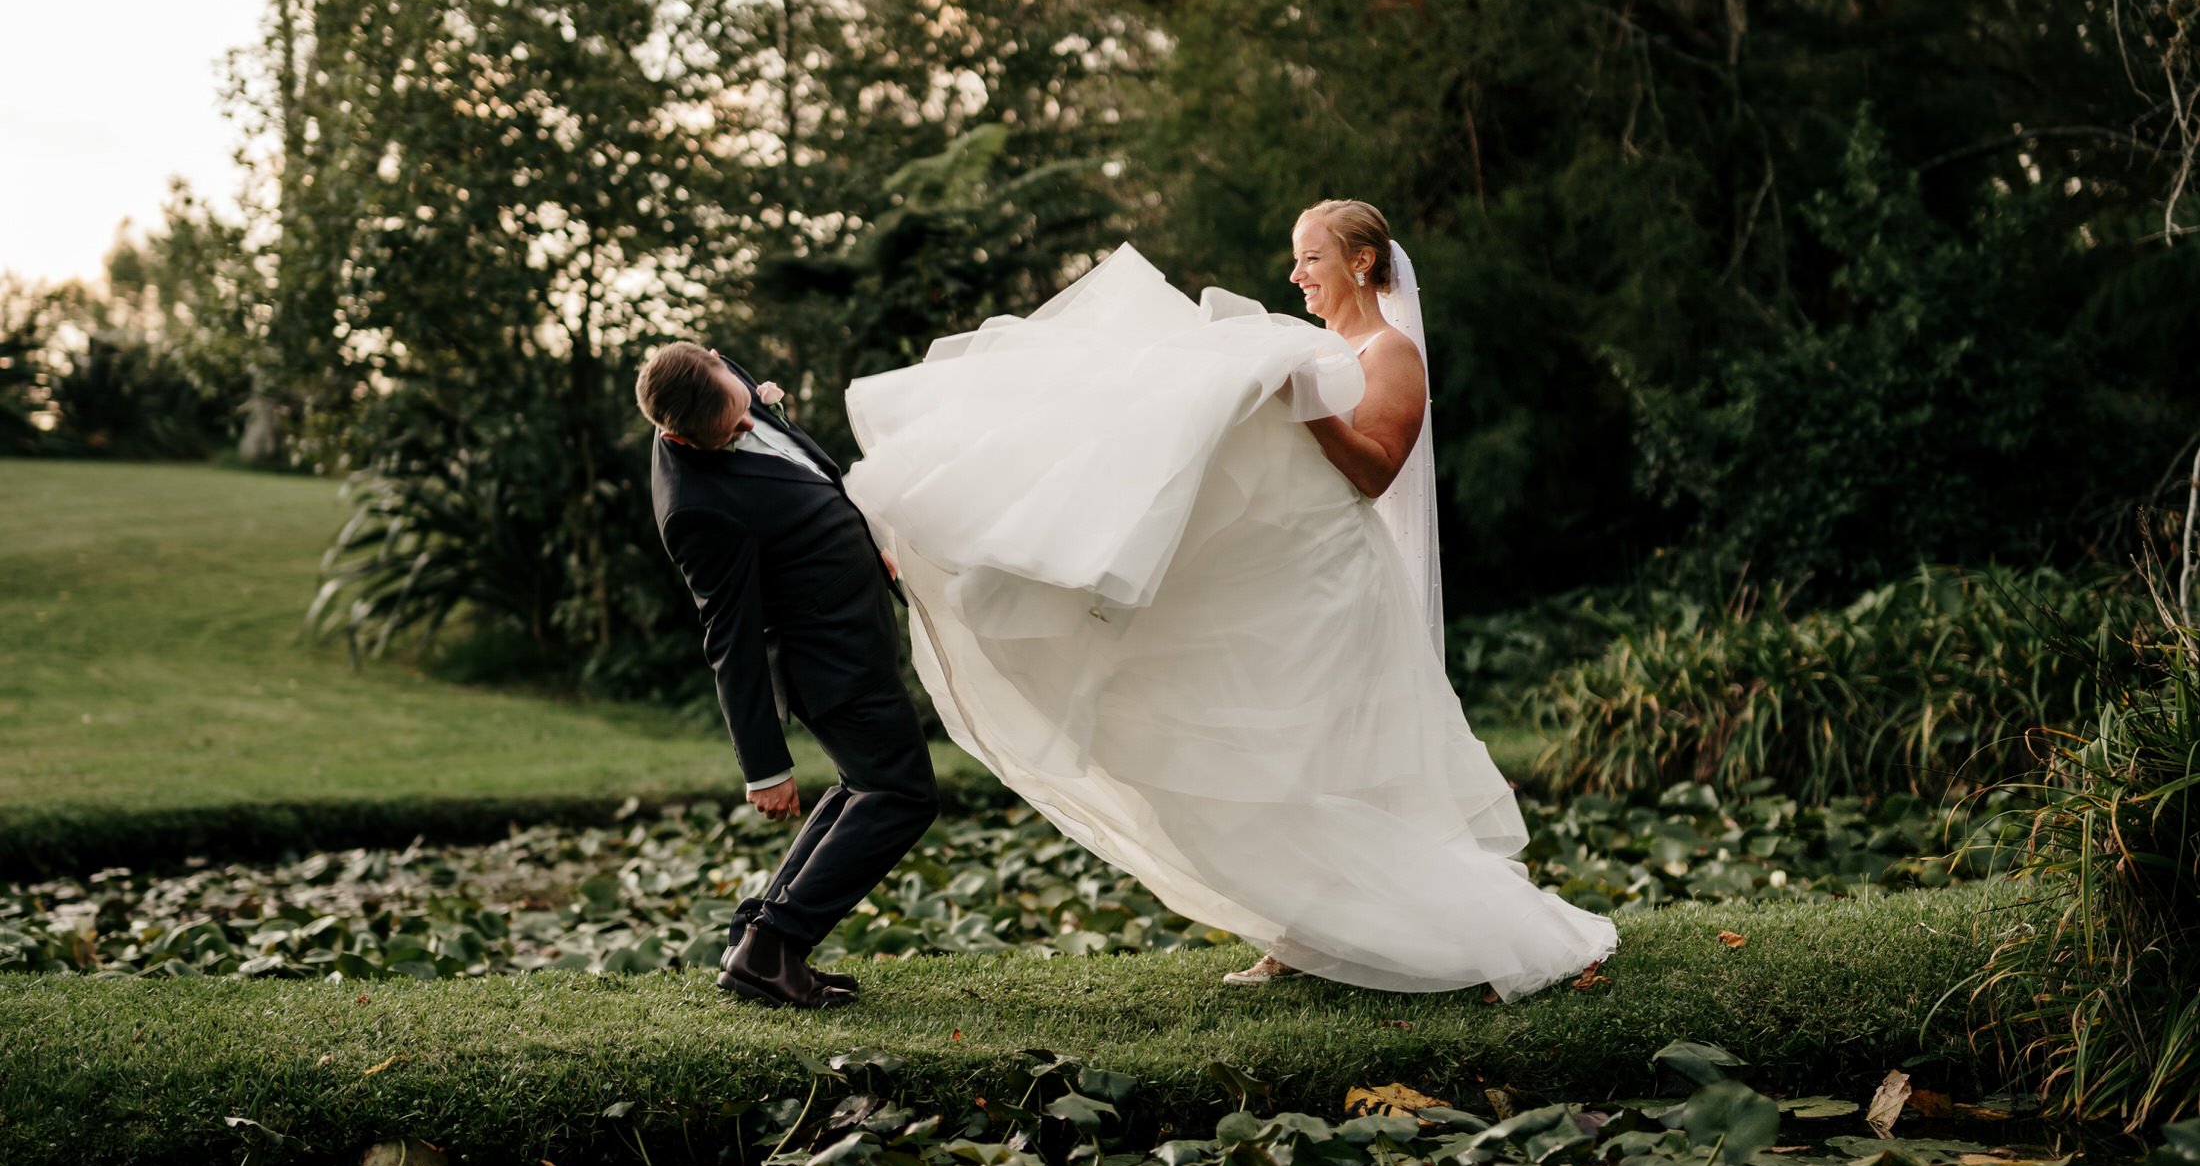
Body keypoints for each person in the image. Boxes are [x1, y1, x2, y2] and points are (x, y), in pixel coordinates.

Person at [841, 206, 1617, 1000]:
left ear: (1362, 262)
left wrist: (1308, 407)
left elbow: (1376, 470)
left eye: (1311, 258)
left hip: (1335, 584)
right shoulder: (1312, 346)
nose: (1295, 274)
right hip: (1282, 577)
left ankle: (1460, 935)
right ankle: (1301, 932)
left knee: (1323, 756)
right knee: (1275, 755)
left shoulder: (1392, 353)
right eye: (1295, 259)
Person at [638, 342, 938, 1010]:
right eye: (731, 432)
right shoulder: (694, 509)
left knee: (868, 785)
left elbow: (804, 477)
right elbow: (729, 635)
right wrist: (764, 765)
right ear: (674, 435)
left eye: (745, 408)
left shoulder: (723, 386)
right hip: (827, 659)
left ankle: (759, 936)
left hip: (854, 634)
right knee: (902, 794)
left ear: (719, 363)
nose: (748, 424)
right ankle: (774, 944)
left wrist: (868, 549)